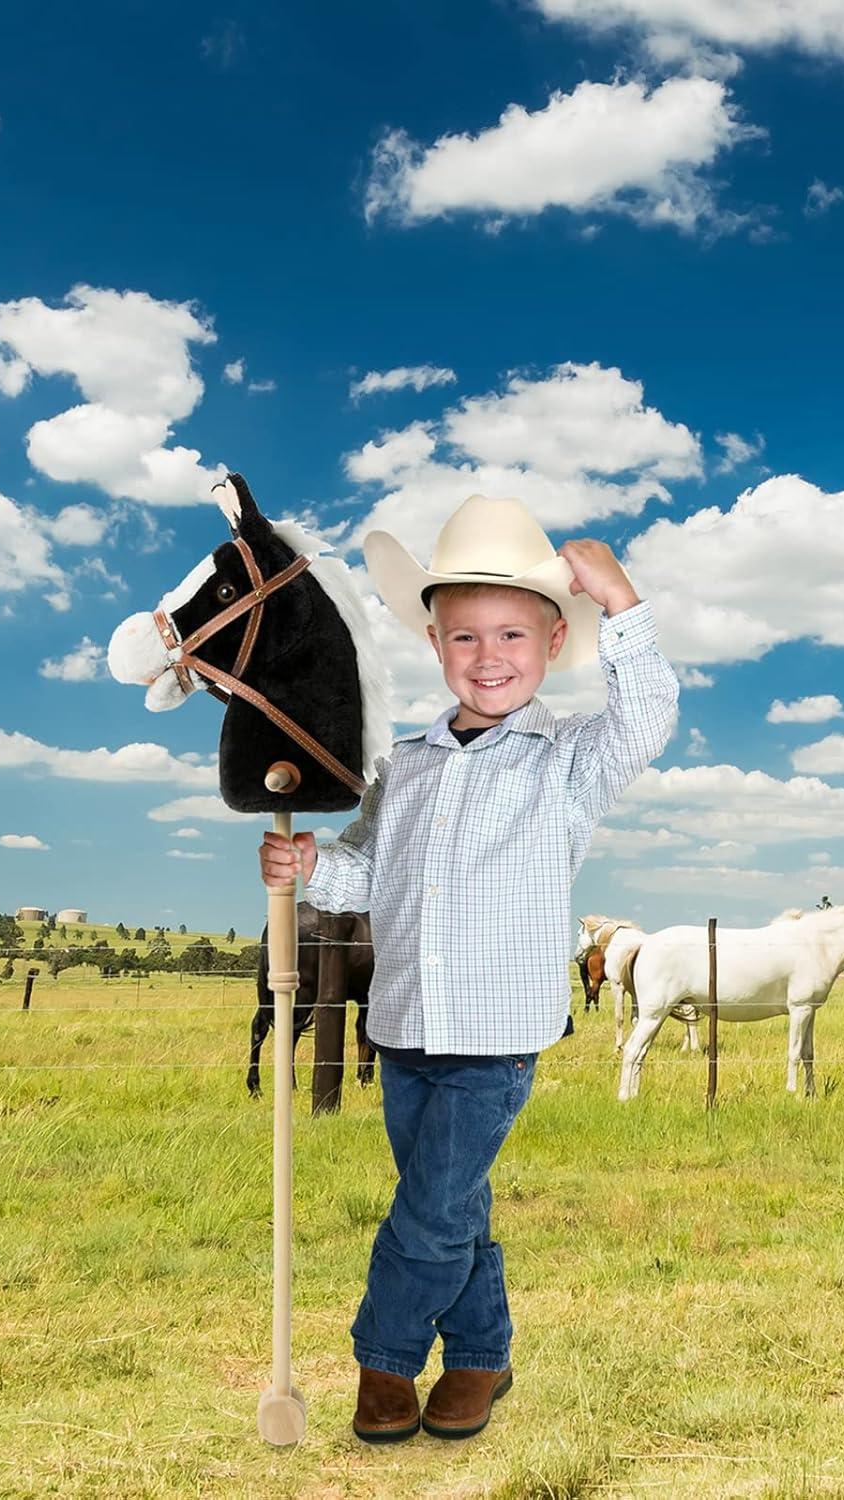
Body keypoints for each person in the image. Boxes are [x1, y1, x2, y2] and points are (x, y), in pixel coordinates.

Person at [258, 494, 678, 1442]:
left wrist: (626, 602)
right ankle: (483, 1358)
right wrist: (313, 865)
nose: (489, 657)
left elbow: (647, 716)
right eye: (465, 637)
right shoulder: (401, 765)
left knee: (431, 1207)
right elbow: (370, 873)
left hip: (498, 1033)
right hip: (405, 1026)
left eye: (512, 635)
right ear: (436, 643)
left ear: (553, 637)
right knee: (456, 1208)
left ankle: (384, 1362)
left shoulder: (569, 759)